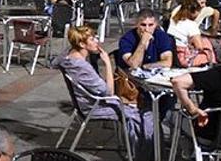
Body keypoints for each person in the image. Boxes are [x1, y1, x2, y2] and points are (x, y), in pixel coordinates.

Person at [51, 25, 154, 153]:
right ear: (82, 45)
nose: (97, 41)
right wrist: (108, 64)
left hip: (85, 103)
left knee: (138, 106)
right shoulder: (82, 68)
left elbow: (54, 62)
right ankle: (145, 154)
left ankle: (140, 149)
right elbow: (108, 92)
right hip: (95, 107)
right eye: (92, 39)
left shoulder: (68, 56)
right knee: (145, 114)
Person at [168, 0, 213, 67]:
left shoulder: (173, 20)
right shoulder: (191, 25)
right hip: (183, 58)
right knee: (206, 43)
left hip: (172, 52)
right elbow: (199, 47)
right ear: (194, 12)